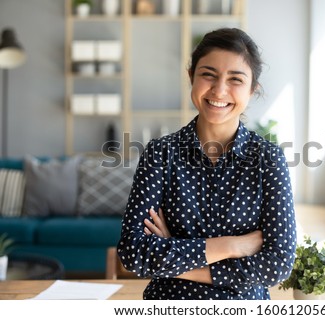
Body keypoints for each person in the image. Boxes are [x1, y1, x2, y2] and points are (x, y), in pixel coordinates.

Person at [117, 28, 297, 300]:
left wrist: (173, 254)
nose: (219, 90)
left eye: (235, 79)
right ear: (191, 76)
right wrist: (233, 246)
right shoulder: (159, 154)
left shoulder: (269, 160)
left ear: (252, 90)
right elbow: (133, 253)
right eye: (208, 75)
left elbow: (277, 264)